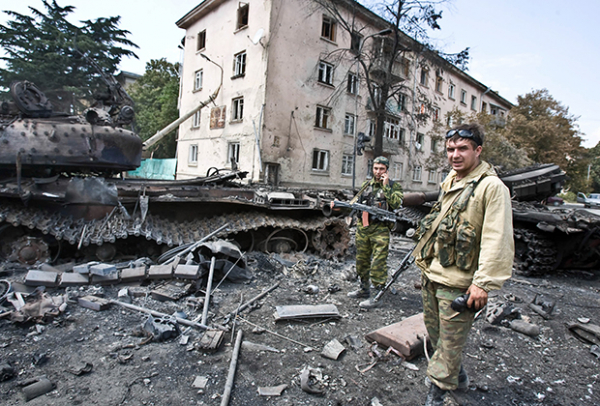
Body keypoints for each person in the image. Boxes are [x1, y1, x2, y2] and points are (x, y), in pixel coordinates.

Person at [413, 124, 514, 406]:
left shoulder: (492, 188)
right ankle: (458, 377)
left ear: (478, 150)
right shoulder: (453, 179)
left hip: (459, 284)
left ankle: (437, 393)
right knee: (437, 337)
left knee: (449, 344)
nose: (455, 155)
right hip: (434, 274)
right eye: (450, 150)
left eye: (462, 149)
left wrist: (483, 283)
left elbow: (498, 238)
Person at [345, 156, 403, 308]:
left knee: (378, 262)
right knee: (361, 260)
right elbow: (358, 203)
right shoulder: (366, 185)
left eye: (381, 169)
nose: (378, 172)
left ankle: (377, 295)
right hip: (364, 229)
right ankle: (364, 289)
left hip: (381, 229)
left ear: (386, 170)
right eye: (376, 168)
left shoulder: (393, 186)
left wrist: (386, 187)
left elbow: (397, 203)